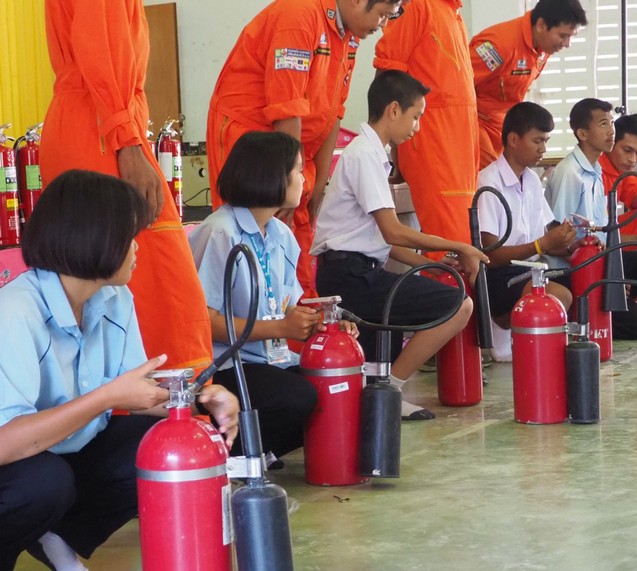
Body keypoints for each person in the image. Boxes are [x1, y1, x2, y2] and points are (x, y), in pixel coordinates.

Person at [0, 170, 239, 571]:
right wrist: (107, 398)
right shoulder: (15, 311)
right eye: (129, 237)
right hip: (17, 464)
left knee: (160, 443)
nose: (136, 248)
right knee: (43, 484)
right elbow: (6, 443)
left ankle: (60, 537)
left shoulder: (115, 298)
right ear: (93, 237)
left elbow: (137, 390)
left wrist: (199, 399)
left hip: (66, 450)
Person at [39, 0, 213, 374]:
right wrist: (128, 143)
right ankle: (169, 398)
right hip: (101, 132)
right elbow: (101, 47)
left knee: (103, 283)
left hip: (95, 126)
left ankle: (122, 392)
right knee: (157, 282)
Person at [311, 70, 487, 420]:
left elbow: (379, 240)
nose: (417, 127)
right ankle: (389, 391)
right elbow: (392, 232)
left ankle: (380, 392)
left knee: (385, 341)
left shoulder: (373, 154)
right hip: (350, 276)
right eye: (416, 116)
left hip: (357, 268)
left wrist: (432, 262)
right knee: (458, 305)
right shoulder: (364, 155)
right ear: (394, 110)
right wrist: (461, 246)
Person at [207, 0, 404, 298]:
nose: (382, 25)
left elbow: (333, 115)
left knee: (297, 244)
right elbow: (286, 109)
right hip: (256, 149)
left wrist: (318, 187)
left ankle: (297, 318)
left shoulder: (347, 34)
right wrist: (286, 183)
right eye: (382, 15)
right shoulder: (298, 17)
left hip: (296, 154)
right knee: (252, 243)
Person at [191, 132, 357, 460]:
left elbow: (288, 307)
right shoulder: (221, 232)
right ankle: (231, 455)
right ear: (272, 176)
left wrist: (321, 323)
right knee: (298, 397)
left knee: (340, 386)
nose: (304, 179)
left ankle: (261, 449)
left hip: (272, 360)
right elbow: (204, 324)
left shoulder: (280, 234)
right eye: (298, 170)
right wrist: (281, 328)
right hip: (226, 366)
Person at [477, 102, 577, 362]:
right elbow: (490, 256)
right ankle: (509, 330)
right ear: (513, 139)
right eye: (537, 141)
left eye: (546, 141)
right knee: (559, 296)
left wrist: (573, 244)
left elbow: (547, 235)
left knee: (582, 284)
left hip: (530, 270)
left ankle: (540, 350)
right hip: (498, 275)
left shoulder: (531, 180)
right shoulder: (488, 182)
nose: (543, 149)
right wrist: (542, 245)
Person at [374, 0, 479, 247]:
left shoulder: (452, 13)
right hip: (435, 144)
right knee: (450, 244)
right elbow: (388, 74)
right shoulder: (418, 7)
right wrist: (386, 144)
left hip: (462, 149)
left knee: (462, 238)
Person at [545, 98, 637, 340]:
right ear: (582, 133)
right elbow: (557, 238)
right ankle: (573, 312)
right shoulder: (570, 173)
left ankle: (604, 302)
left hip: (595, 262)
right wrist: (607, 277)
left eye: (611, 123)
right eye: (603, 124)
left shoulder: (597, 171)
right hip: (571, 269)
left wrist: (614, 273)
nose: (611, 131)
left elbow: (601, 232)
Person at [470, 0, 587, 168]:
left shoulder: (543, 48)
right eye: (563, 36)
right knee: (491, 177)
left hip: (503, 125)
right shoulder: (499, 45)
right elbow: (457, 86)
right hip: (476, 122)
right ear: (541, 25)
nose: (567, 44)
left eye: (571, 36)